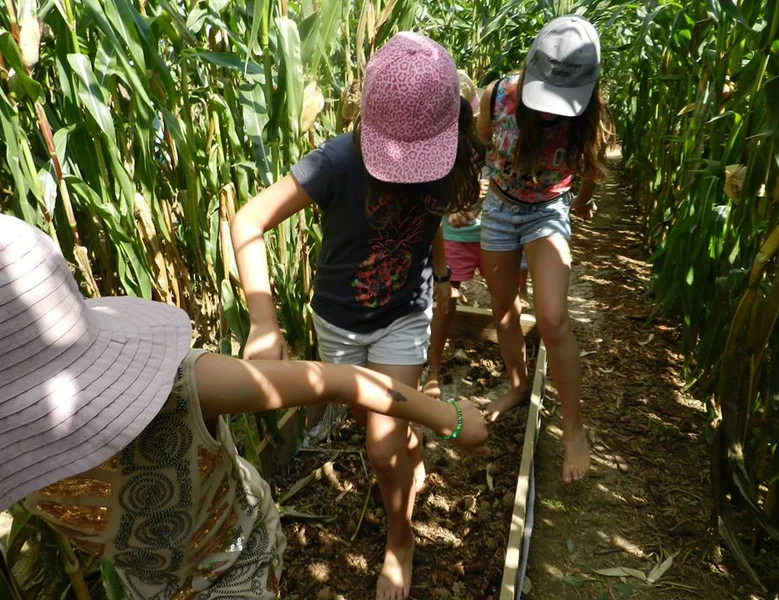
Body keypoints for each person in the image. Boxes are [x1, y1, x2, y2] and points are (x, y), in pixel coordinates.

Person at [0, 214, 490, 599]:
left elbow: (339, 382)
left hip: (227, 567)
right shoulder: (184, 386)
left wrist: (448, 421)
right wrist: (450, 419)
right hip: (177, 573)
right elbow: (340, 382)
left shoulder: (181, 388)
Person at [231, 32, 483, 600]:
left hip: (404, 314)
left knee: (378, 447)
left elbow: (430, 221)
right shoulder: (336, 162)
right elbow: (247, 222)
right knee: (387, 433)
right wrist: (264, 320)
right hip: (340, 323)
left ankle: (401, 540)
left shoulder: (453, 156)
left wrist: (442, 278)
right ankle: (408, 453)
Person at [476, 15, 612, 484]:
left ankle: (574, 429)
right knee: (502, 309)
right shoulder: (498, 96)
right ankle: (517, 386)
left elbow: (591, 167)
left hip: (548, 210)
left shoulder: (589, 114)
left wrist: (584, 204)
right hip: (498, 209)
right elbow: (482, 139)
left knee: (552, 318)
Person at [423, 74, 528, 400]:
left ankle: (516, 378)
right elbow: (432, 194)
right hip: (456, 235)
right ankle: (434, 371)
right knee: (445, 304)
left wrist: (484, 200)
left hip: (495, 235)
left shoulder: (498, 140)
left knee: (510, 307)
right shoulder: (438, 146)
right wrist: (451, 209)